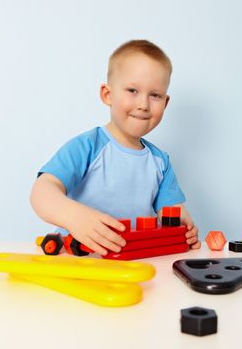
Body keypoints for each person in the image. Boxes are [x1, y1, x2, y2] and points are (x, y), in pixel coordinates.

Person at [30, 39, 201, 255]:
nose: (143, 104)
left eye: (155, 95)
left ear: (165, 103)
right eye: (132, 90)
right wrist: (74, 217)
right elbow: (41, 191)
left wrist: (185, 231)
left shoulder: (161, 161)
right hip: (78, 260)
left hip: (133, 260)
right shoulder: (87, 146)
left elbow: (173, 213)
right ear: (107, 95)